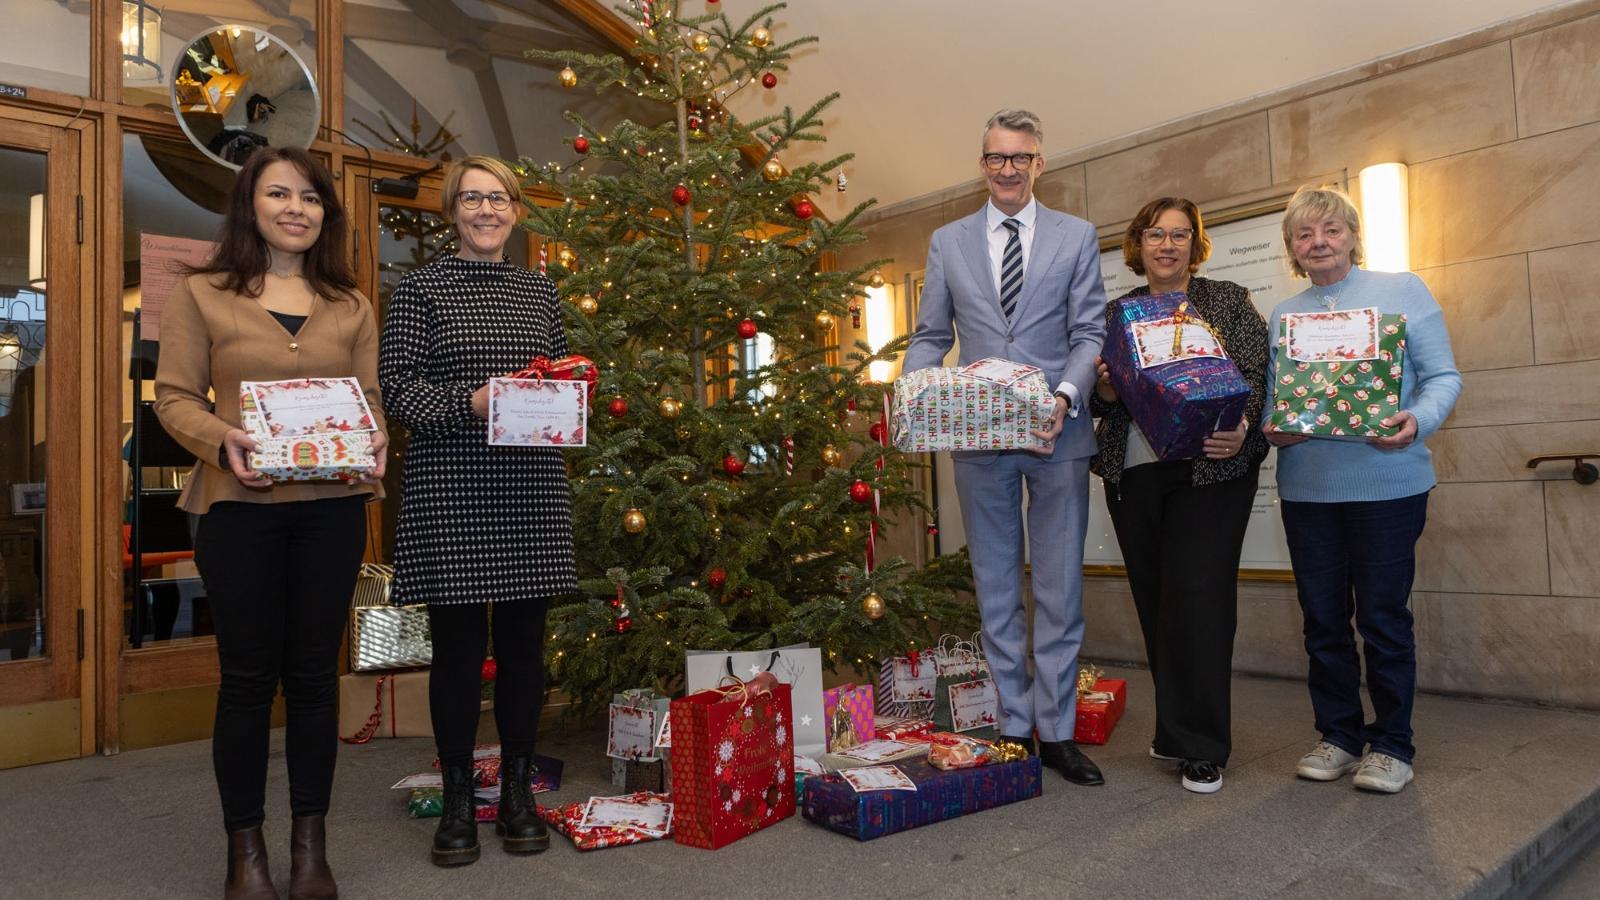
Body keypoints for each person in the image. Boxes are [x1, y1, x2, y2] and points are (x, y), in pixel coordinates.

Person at [155, 146, 388, 900]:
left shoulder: (351, 304)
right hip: (237, 510)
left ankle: (309, 847)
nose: (296, 207)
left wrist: (376, 432)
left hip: (331, 510)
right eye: (278, 193)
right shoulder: (203, 293)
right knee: (249, 681)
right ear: (249, 205)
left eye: (311, 197)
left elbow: (371, 399)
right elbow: (174, 398)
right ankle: (245, 849)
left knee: (317, 679)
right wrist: (222, 437)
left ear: (326, 211)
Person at [378, 155, 578, 865]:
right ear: (452, 210)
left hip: (528, 482)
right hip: (450, 483)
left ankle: (519, 791)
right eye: (472, 199)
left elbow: (555, 377)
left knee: (525, 646)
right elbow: (398, 390)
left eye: (498, 199)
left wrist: (564, 394)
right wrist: (472, 402)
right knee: (458, 652)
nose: (486, 210)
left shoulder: (538, 292)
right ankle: (459, 797)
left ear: (516, 211)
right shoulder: (418, 291)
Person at [902, 109, 1108, 785]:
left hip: (1059, 434)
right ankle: (1015, 727)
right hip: (979, 437)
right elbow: (932, 334)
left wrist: (1065, 398)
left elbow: (1088, 334)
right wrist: (918, 393)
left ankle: (1057, 732)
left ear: (1039, 163)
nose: (1009, 169)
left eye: (1021, 158)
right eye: (997, 158)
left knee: (1058, 591)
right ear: (983, 164)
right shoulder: (948, 241)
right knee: (996, 589)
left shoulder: (1076, 237)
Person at [1263, 185, 1461, 794]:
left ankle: (1392, 745)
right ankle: (1340, 736)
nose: (1319, 242)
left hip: (1388, 485)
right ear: (1293, 249)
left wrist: (1417, 421)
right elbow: (1279, 400)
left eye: (1331, 230)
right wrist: (1276, 427)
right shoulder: (1285, 313)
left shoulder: (1403, 291)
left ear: (1352, 235)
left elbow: (1443, 377)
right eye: (1304, 234)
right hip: (1307, 488)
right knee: (1322, 621)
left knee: (1381, 617)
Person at [1089, 197, 1269, 794]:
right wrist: (1110, 392)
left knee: (1199, 599)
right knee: (1157, 601)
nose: (1167, 245)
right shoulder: (1114, 313)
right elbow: (1098, 403)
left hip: (1211, 470)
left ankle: (1201, 746)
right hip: (1136, 473)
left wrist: (1241, 426)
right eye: (1155, 234)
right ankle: (1175, 730)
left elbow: (1253, 374)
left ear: (1196, 244)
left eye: (1180, 235)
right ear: (1137, 245)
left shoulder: (1228, 301)